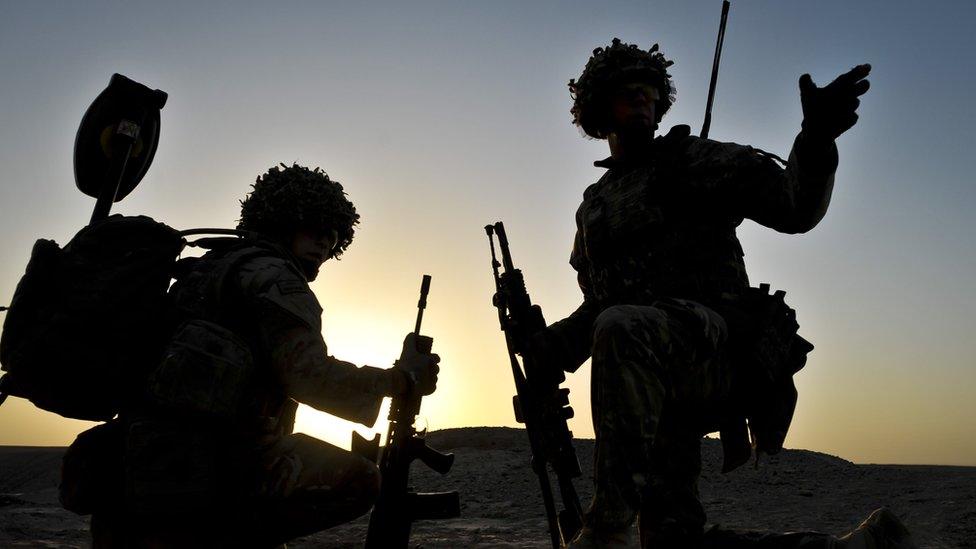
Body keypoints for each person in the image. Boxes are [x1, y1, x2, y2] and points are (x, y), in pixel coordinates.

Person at [532, 39, 914, 548]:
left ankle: (606, 529)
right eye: (628, 92)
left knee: (624, 327)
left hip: (714, 351)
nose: (642, 100)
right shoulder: (595, 208)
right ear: (600, 109)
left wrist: (817, 137)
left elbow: (795, 205)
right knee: (673, 540)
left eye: (649, 91)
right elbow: (598, 308)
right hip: (646, 389)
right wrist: (548, 346)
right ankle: (852, 547)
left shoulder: (693, 160)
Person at [97, 164, 440, 547]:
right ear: (283, 221)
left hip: (140, 458)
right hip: (212, 463)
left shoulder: (207, 268)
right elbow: (308, 375)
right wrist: (402, 379)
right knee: (360, 479)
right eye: (315, 227)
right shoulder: (276, 277)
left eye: (333, 234)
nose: (325, 242)